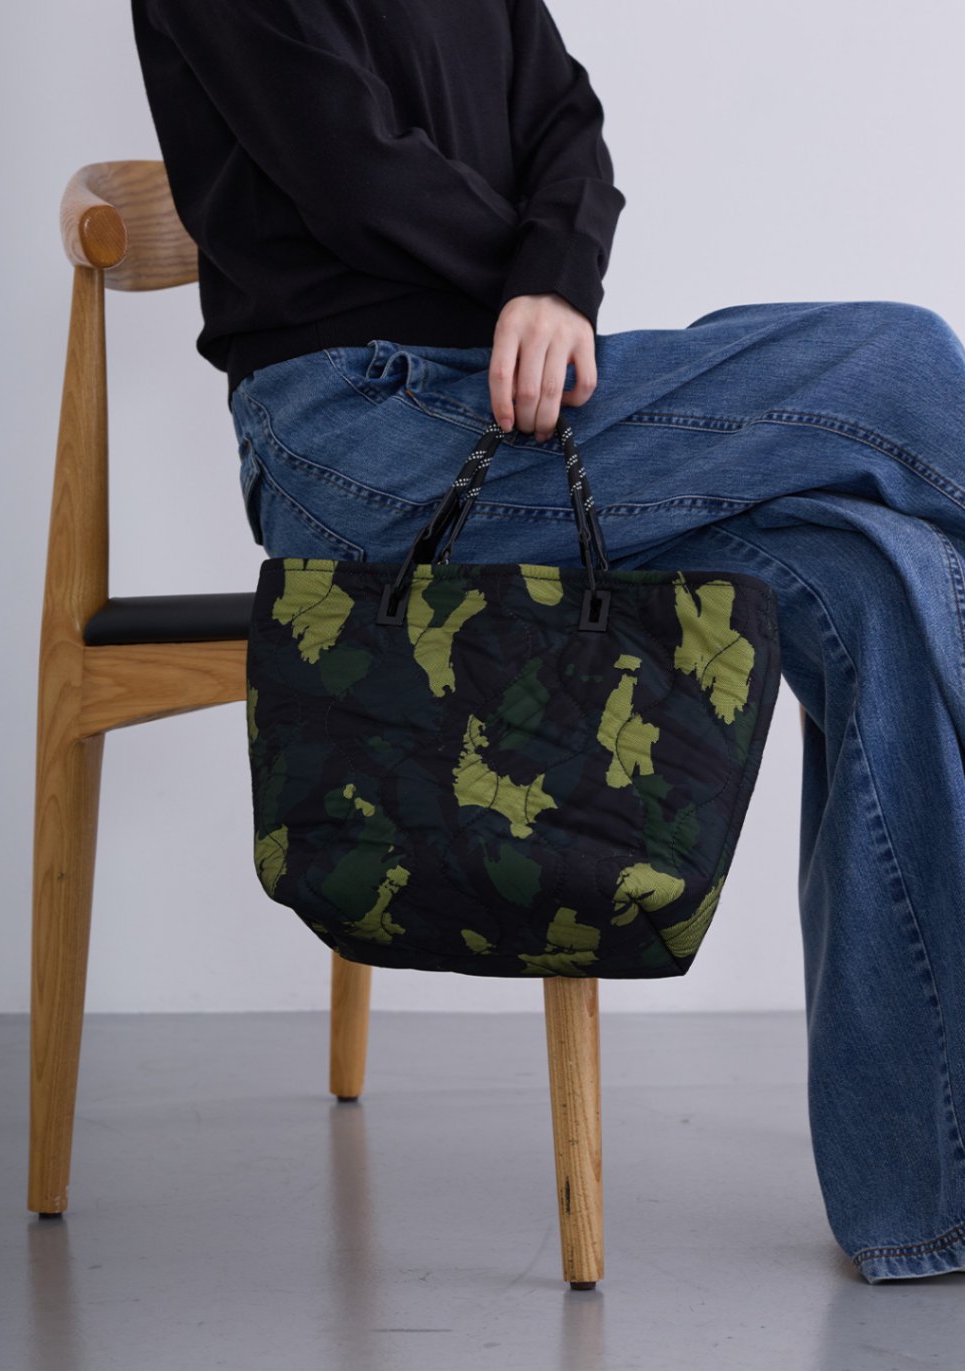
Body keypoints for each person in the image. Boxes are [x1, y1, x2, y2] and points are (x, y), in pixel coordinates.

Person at [131, 0, 965, 1285]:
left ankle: (929, 1202)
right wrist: (535, 277)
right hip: (359, 432)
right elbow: (353, 172)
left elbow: (565, 124)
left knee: (875, 574)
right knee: (899, 359)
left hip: (516, 407)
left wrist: (554, 278)